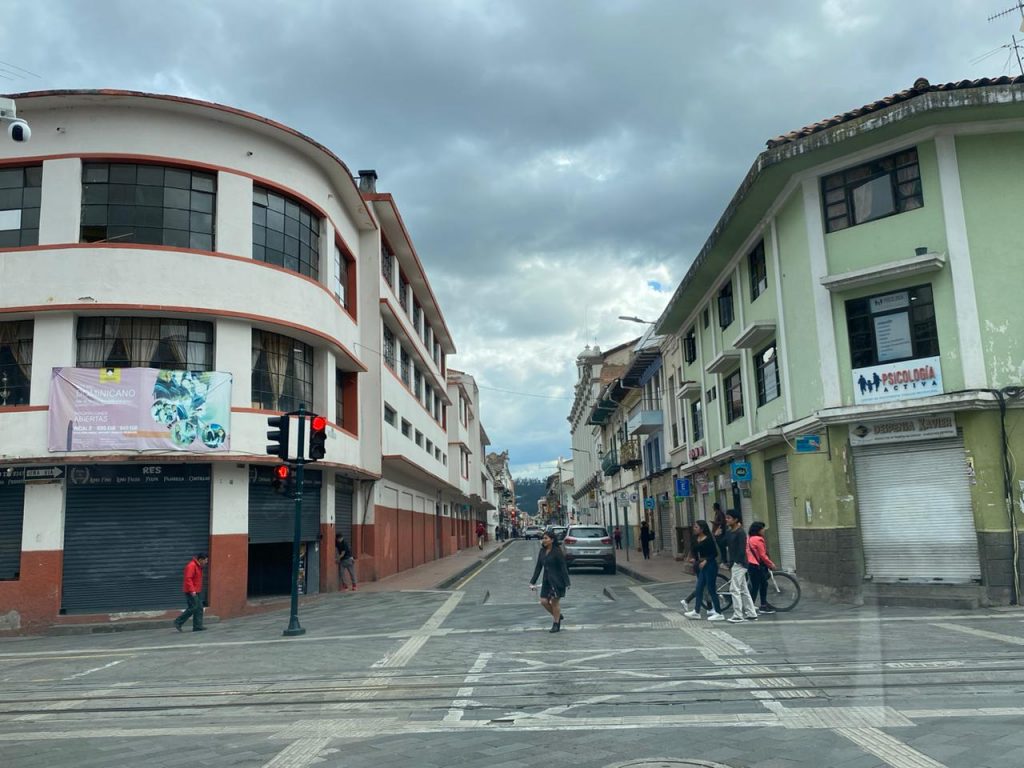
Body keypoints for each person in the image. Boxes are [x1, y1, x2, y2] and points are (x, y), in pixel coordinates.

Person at [529, 530, 570, 633]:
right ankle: (557, 615)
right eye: (543, 538)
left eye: (546, 538)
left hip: (557, 580)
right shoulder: (542, 551)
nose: (544, 540)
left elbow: (563, 567)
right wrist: (532, 581)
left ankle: (556, 624)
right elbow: (538, 567)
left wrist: (567, 582)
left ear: (552, 540)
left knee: (555, 602)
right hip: (547, 580)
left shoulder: (557, 551)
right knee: (543, 601)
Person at [683, 520, 724, 621]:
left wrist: (706, 561)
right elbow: (694, 552)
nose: (694, 528)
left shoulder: (709, 539)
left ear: (702, 528)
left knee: (711, 589)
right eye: (694, 527)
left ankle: (719, 613)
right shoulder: (695, 538)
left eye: (696, 527)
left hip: (710, 565)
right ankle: (696, 611)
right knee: (699, 587)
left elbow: (714, 553)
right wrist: (695, 560)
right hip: (700, 565)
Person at [724, 510, 758, 623]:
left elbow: (742, 550)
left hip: (740, 563)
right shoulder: (730, 532)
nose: (727, 520)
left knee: (734, 589)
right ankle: (751, 612)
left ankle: (738, 614)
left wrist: (736, 562)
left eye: (729, 518)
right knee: (743, 589)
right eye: (726, 518)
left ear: (735, 519)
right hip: (735, 563)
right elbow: (725, 543)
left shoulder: (740, 532)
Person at [173, 552, 208, 632]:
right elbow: (188, 579)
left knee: (199, 608)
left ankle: (197, 626)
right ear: (201, 559)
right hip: (191, 591)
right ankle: (178, 622)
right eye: (205, 560)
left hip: (197, 590)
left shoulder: (198, 566)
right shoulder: (191, 566)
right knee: (193, 607)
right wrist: (192, 590)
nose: (206, 562)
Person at [746, 521, 776, 614]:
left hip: (750, 565)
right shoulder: (758, 539)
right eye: (762, 528)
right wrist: (771, 564)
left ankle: (755, 605)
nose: (764, 530)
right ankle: (757, 606)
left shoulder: (749, 538)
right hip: (756, 566)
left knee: (759, 585)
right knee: (758, 585)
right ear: (758, 530)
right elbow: (763, 555)